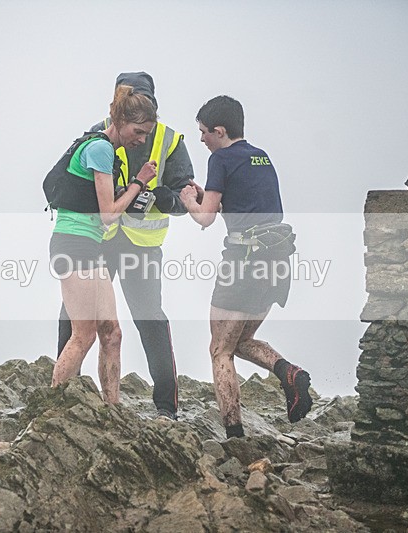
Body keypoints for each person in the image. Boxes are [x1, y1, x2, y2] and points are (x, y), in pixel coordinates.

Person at [57, 72, 193, 420]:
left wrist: (159, 199)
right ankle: (66, 394)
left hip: (141, 245)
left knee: (149, 319)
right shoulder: (98, 134)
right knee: (76, 318)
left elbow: (186, 197)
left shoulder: (170, 140)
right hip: (98, 240)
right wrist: (128, 192)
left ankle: (166, 406)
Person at [179, 95, 312, 438]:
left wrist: (190, 201)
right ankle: (289, 372)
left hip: (244, 261)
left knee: (219, 349)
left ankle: (234, 435)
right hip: (278, 260)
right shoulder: (261, 156)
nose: (202, 139)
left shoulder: (220, 158)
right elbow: (249, 204)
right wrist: (209, 194)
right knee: (242, 339)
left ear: (219, 131)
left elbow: (205, 218)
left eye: (204, 132)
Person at [49, 85, 158, 404]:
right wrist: (139, 183)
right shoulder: (99, 149)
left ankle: (113, 411)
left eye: (146, 134)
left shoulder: (107, 150)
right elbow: (109, 214)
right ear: (120, 121)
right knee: (83, 335)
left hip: (90, 247)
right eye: (138, 131)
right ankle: (53, 408)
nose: (141, 139)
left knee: (112, 333)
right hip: (72, 245)